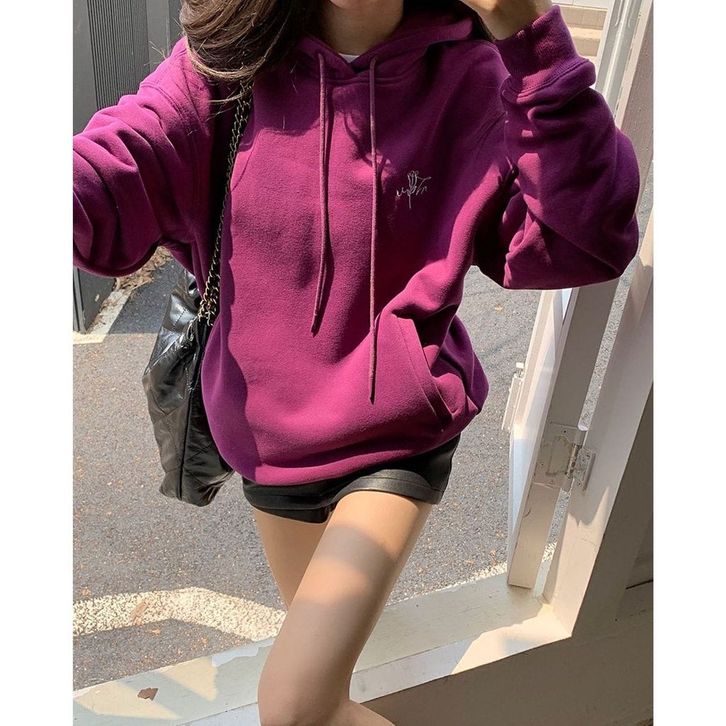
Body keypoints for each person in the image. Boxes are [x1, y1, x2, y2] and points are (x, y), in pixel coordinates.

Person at [73, 0, 640, 723]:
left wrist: (531, 36)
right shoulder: (228, 60)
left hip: (393, 439)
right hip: (271, 448)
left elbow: (589, 237)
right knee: (326, 695)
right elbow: (109, 170)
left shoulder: (472, 78)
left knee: (296, 703)